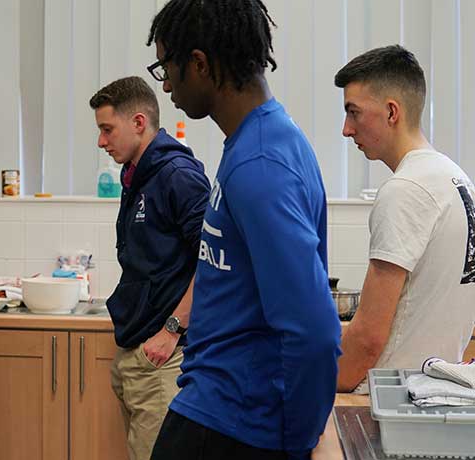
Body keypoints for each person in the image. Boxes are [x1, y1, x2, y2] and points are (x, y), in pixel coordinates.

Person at [146, 1, 342, 459]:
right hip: (219, 407)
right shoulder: (261, 142)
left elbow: (315, 332)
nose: (167, 85)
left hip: (236, 423)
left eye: (166, 68)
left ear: (199, 64)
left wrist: (298, 442)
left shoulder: (260, 164)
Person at [334, 45, 475, 393]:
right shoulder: (454, 177)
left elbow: (368, 338)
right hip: (434, 390)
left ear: (392, 112)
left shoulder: (405, 189)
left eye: (354, 113)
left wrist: (317, 386)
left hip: (390, 396)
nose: (346, 129)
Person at [88, 76, 209, 460]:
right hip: (138, 351)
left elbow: (215, 263)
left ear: (139, 122)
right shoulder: (136, 176)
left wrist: (172, 330)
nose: (101, 142)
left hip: (165, 356)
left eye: (108, 130)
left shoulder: (178, 176)